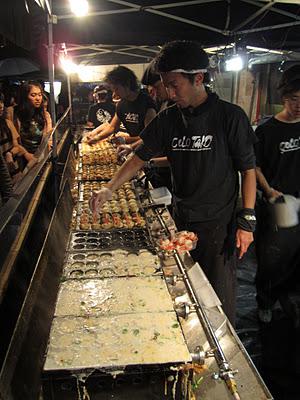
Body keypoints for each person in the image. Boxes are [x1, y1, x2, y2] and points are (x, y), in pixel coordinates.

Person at [89, 40, 257, 324]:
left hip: (218, 223)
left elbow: (248, 169)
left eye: (175, 84)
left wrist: (247, 220)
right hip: (181, 216)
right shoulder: (168, 119)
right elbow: (139, 157)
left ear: (199, 78)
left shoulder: (229, 117)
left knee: (218, 295)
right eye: (166, 84)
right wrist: (110, 187)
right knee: (185, 285)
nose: (169, 92)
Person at [255, 65, 300, 323]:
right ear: (284, 98)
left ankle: (288, 297)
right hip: (278, 201)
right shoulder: (267, 131)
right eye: (294, 99)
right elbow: (254, 166)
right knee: (272, 257)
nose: (298, 105)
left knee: (295, 254)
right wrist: (269, 190)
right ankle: (265, 301)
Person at [86, 66, 156, 145]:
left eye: (116, 89)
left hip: (150, 152)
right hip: (134, 147)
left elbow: (150, 137)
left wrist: (125, 140)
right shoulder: (121, 104)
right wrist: (96, 138)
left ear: (127, 84)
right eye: (113, 90)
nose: (115, 94)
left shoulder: (146, 103)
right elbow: (112, 127)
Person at [0, 93, 36, 178]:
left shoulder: (7, 123)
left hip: (12, 171)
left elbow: (16, 146)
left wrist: (10, 153)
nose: (1, 106)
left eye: (1, 102)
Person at [12, 81, 52, 154]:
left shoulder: (45, 115)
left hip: (41, 156)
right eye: (33, 95)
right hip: (22, 157)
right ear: (25, 97)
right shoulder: (16, 115)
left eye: (40, 95)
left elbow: (49, 138)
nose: (38, 98)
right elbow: (15, 141)